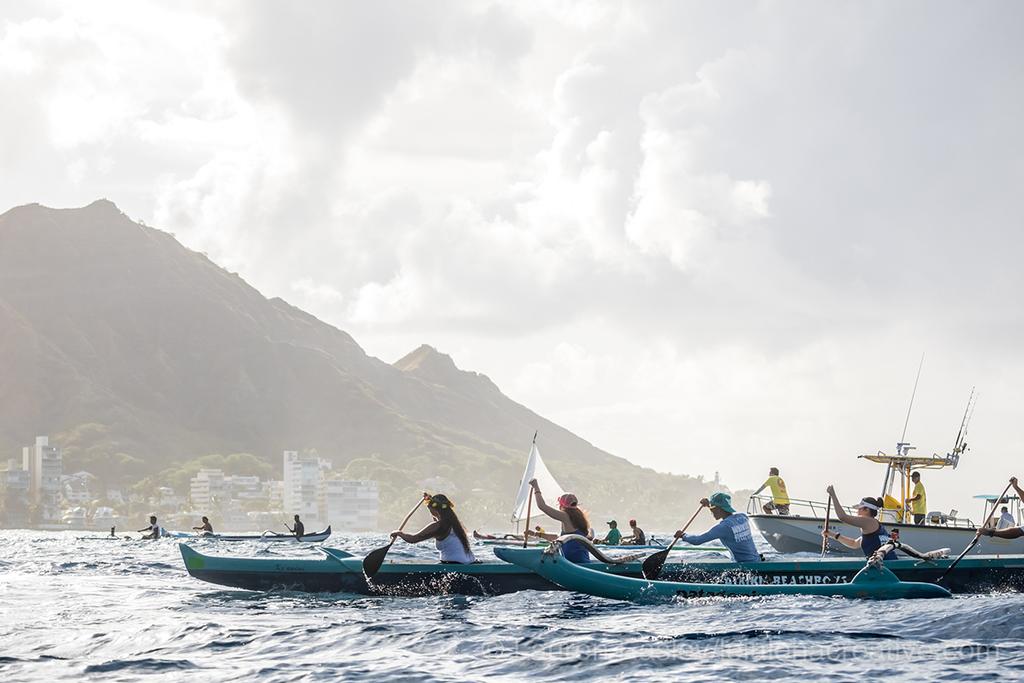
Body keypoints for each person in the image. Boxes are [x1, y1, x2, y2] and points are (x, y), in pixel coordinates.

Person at [391, 493, 476, 564]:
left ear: (433, 509)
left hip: (453, 564)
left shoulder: (438, 526)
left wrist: (399, 533)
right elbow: (436, 516)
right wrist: (430, 501)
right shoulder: (456, 524)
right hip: (470, 562)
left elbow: (413, 539)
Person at [675, 492, 760, 562]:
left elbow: (698, 540)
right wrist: (709, 505)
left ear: (718, 509)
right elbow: (721, 510)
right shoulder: (743, 517)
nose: (711, 512)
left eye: (712, 509)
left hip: (744, 568)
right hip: (757, 561)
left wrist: (683, 536)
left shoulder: (723, 528)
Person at [822, 486, 897, 559]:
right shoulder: (872, 526)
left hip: (886, 565)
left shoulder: (868, 521)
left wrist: (833, 495)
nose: (857, 511)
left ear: (867, 510)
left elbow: (842, 517)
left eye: (859, 509)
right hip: (887, 564)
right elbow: (854, 544)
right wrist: (832, 535)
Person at [528, 478, 592, 562]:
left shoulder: (565, 516)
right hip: (582, 561)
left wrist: (536, 486)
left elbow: (542, 506)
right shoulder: (579, 516)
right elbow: (559, 538)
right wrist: (536, 534)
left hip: (575, 563)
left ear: (561, 505)